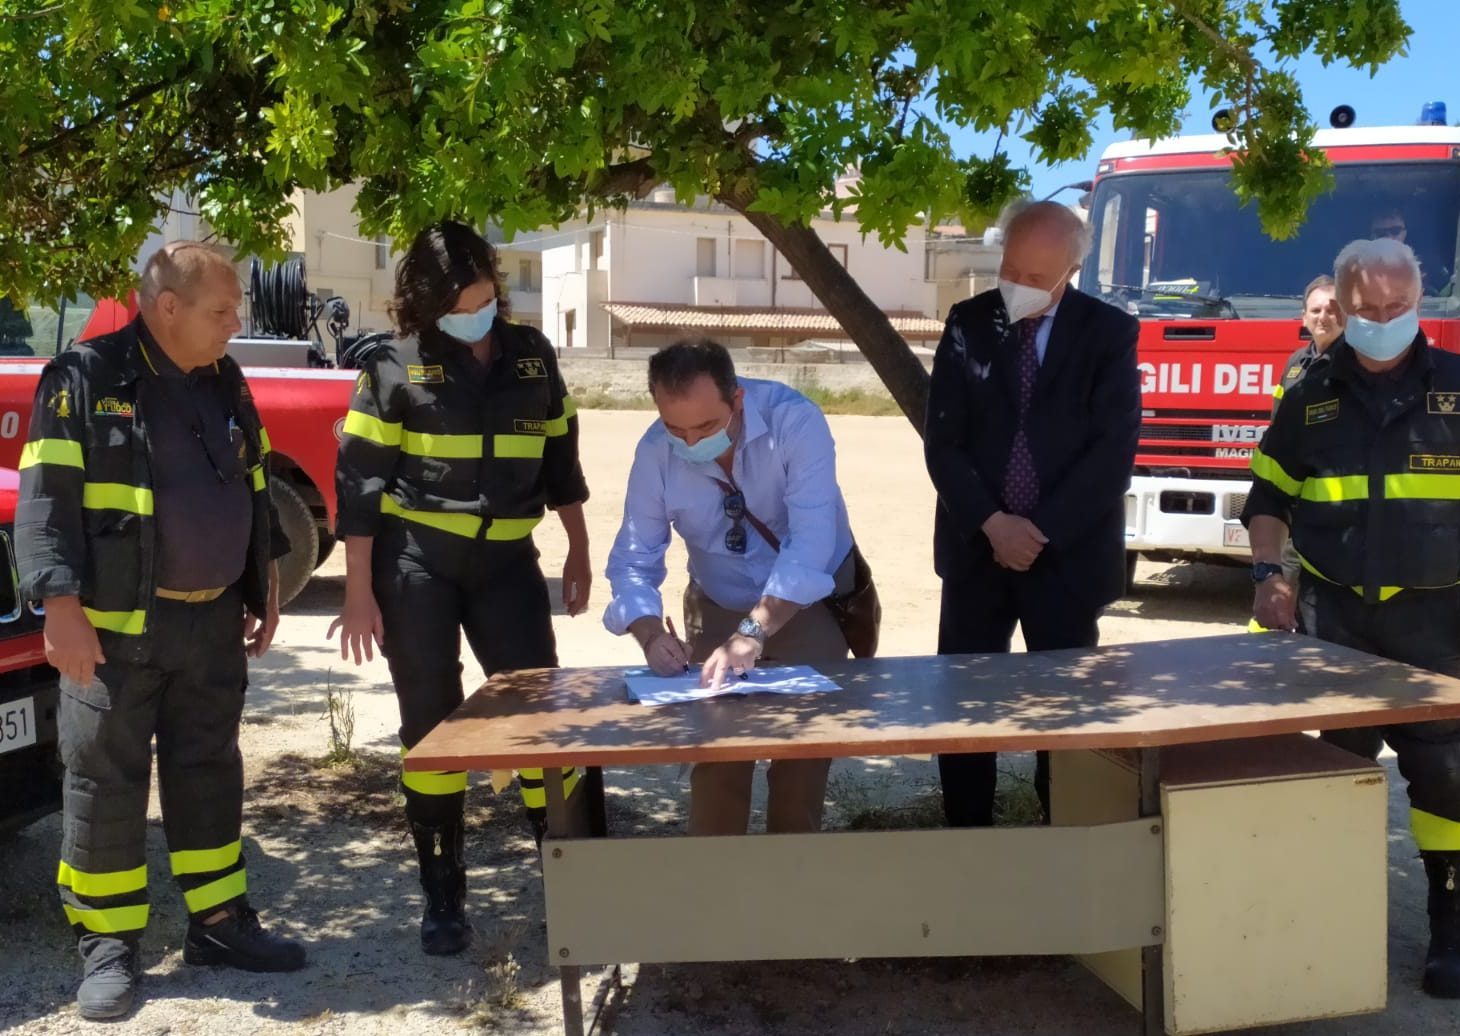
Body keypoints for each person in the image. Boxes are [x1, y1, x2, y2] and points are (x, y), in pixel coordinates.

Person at [15, 242, 305, 1021]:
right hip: (110, 636)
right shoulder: (83, 378)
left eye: (236, 309)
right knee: (104, 786)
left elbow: (253, 484)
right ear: (165, 307)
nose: (235, 323)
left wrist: (264, 580)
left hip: (209, 621)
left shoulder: (227, 379)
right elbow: (44, 500)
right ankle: (108, 946)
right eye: (221, 311)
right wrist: (60, 608)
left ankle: (217, 924)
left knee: (209, 769)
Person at [330, 221, 592, 957]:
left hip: (508, 565)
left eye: (483, 297)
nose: (474, 312)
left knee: (542, 720)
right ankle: (443, 897)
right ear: (425, 301)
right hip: (418, 566)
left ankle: (571, 874)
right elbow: (360, 489)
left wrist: (578, 548)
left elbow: (561, 463)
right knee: (432, 728)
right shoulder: (391, 365)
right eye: (458, 302)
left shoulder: (533, 358)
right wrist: (358, 590)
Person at [1244, 236, 1460, 999]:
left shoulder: (1457, 388)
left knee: (1448, 780)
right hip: (1333, 623)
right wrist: (1270, 576)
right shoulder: (1308, 396)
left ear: (1419, 302)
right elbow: (1268, 497)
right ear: (1340, 306)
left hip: (1439, 626)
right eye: (1367, 309)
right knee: (1333, 777)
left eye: (1398, 307)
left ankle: (1451, 923)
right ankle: (1325, 932)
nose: (1382, 320)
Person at [924, 200, 1141, 827]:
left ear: (1071, 270)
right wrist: (994, 524)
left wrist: (1038, 531)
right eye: (1010, 267)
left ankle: (1063, 828)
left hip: (1066, 556)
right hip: (976, 550)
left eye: (1036, 275)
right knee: (966, 704)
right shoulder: (968, 322)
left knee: (1064, 708)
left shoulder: (1108, 333)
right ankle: (967, 832)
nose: (1016, 284)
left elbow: (1111, 454)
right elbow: (944, 441)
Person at [603, 339, 863, 836]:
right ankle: (718, 887)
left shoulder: (796, 423)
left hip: (803, 604)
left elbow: (810, 548)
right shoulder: (655, 451)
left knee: (802, 757)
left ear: (738, 399)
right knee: (717, 757)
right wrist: (651, 636)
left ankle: (791, 878)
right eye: (674, 427)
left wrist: (754, 631)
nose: (690, 441)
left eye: (705, 426)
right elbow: (634, 559)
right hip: (716, 602)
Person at [1271, 275, 1345, 417]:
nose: (1322, 317)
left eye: (1331, 311)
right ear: (1304, 318)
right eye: (1316, 311)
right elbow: (1278, 413)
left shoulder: (1359, 362)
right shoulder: (1295, 361)